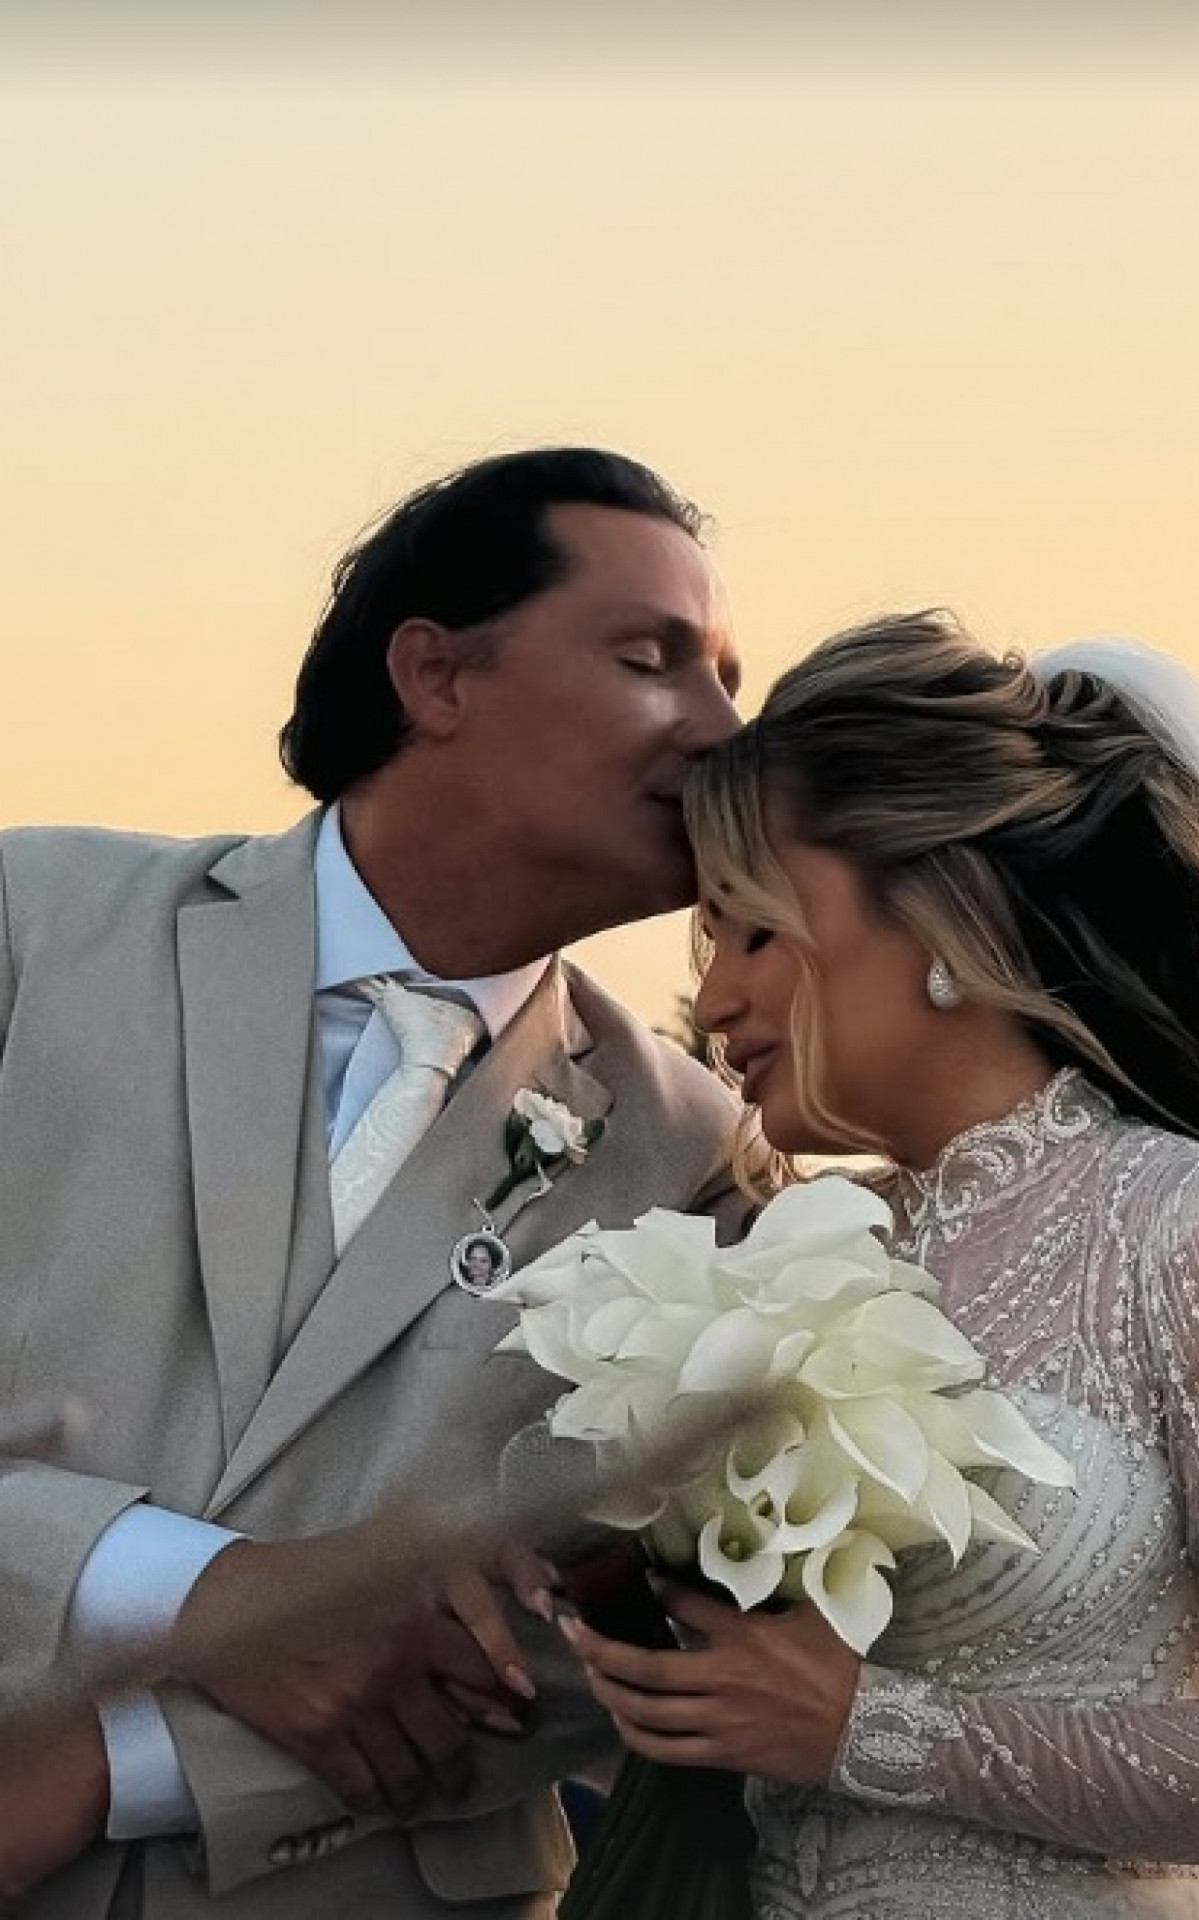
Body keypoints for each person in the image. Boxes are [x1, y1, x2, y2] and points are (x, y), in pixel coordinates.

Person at [0, 446, 748, 1918]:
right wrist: (190, 1590)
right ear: (436, 675)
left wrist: (126, 1759)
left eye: (729, 677)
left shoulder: (696, 1154)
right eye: (652, 659)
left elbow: (623, 1616)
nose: (728, 733)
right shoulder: (35, 926)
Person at [562, 612, 1199, 1916]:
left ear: (936, 909)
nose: (716, 1004)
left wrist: (869, 1731)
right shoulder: (772, 1256)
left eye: (753, 932)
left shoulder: (1166, 1229)